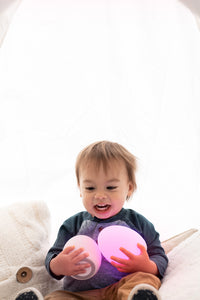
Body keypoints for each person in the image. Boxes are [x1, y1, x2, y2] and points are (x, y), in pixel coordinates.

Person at [45, 141, 168, 300]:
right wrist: (58, 265)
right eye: (90, 188)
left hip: (121, 288)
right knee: (56, 296)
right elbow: (53, 255)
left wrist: (147, 266)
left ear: (129, 188)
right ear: (80, 189)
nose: (100, 195)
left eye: (110, 187)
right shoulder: (73, 225)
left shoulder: (138, 222)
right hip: (80, 294)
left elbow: (160, 255)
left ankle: (138, 297)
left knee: (145, 280)